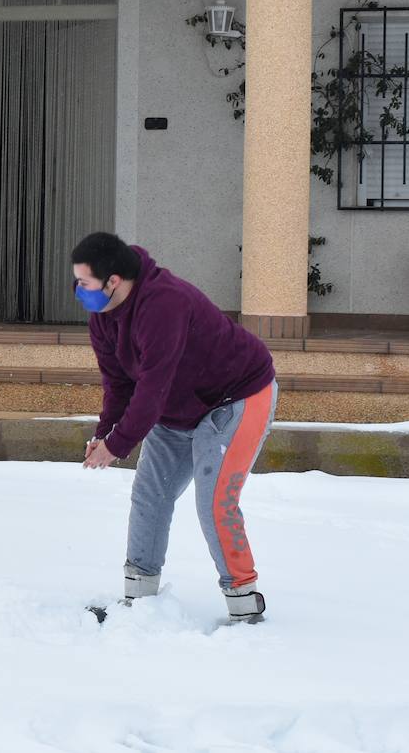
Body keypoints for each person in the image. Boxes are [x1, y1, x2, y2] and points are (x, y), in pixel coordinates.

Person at [72, 232, 278, 622]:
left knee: (215, 502)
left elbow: (152, 386)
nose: (78, 291)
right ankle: (139, 602)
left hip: (236, 397)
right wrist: (103, 433)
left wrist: (117, 445)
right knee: (150, 494)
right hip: (174, 409)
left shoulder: (164, 303)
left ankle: (246, 607)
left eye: (84, 283)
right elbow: (118, 383)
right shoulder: (102, 317)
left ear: (113, 281)